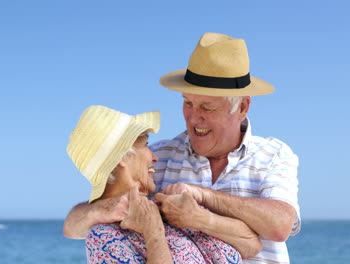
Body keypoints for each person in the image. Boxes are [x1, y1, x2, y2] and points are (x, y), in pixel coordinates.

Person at [64, 32, 301, 263]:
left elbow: (280, 226)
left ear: (242, 108)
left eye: (207, 107)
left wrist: (202, 201)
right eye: (188, 103)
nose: (194, 118)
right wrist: (102, 210)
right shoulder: (161, 156)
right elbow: (77, 224)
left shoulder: (273, 155)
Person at [66, 105, 260, 263]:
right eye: (145, 145)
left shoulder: (170, 206)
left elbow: (252, 245)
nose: (154, 156)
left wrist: (200, 218)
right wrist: (153, 233)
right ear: (121, 158)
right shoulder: (103, 238)